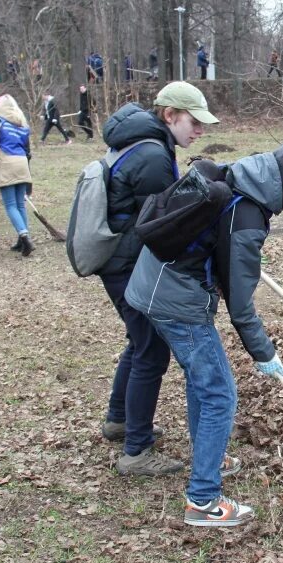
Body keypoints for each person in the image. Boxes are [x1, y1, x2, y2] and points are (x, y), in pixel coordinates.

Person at [126, 140, 283, 526]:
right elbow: (241, 307)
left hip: (153, 283)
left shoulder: (242, 174)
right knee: (220, 393)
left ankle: (210, 452)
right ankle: (203, 500)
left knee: (201, 380)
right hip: (175, 303)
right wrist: (265, 354)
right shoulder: (249, 217)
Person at [96, 82, 218, 471]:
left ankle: (120, 420)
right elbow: (164, 223)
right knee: (151, 349)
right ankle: (137, 451)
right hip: (126, 264)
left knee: (139, 342)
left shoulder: (146, 142)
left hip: (119, 260)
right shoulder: (151, 155)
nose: (199, 131)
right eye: (194, 122)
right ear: (170, 115)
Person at [0, 94, 35, 256]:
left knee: (10, 205)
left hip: (6, 161)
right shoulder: (22, 125)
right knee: (20, 204)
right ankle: (23, 239)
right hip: (22, 163)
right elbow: (28, 151)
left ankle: (24, 235)